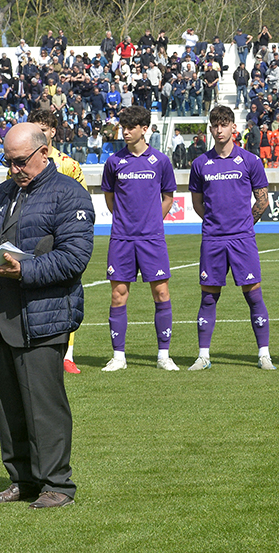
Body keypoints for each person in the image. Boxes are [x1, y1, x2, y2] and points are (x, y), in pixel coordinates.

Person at [0, 123, 93, 509]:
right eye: (8, 162)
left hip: (45, 315)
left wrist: (25, 271)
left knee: (44, 404)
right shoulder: (3, 193)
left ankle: (58, 484)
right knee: (9, 406)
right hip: (3, 313)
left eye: (20, 161)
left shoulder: (70, 194)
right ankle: (21, 479)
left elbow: (75, 257)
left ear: (44, 152)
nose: (13, 169)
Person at [187, 105, 273, 370]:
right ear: (210, 128)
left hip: (242, 239)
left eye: (224, 124)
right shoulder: (201, 164)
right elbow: (198, 203)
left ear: (233, 128)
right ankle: (203, 356)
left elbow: (262, 200)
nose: (219, 129)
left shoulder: (249, 161)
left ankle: (263, 354)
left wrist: (245, 223)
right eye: (215, 125)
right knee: (209, 297)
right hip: (213, 239)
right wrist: (216, 224)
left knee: (254, 295)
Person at [100, 106, 178, 372]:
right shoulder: (114, 162)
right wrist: (124, 219)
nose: (126, 131)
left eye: (131, 127)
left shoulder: (160, 161)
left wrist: (154, 218)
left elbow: (168, 196)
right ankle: (119, 356)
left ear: (144, 129)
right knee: (118, 294)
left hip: (151, 238)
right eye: (124, 126)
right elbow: (110, 198)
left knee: (161, 292)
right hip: (122, 238)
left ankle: (163, 355)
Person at [30, 108, 86, 373]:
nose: (41, 132)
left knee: (65, 293)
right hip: (32, 236)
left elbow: (81, 201)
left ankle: (68, 355)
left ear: (53, 131)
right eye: (36, 127)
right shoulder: (22, 161)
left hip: (61, 238)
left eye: (45, 128)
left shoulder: (69, 164)